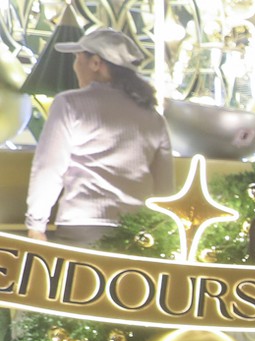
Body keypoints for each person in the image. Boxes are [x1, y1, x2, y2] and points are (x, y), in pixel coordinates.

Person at [25, 26, 172, 247]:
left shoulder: (70, 104)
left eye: (77, 58)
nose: (75, 67)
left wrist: (36, 224)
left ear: (95, 63)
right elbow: (165, 186)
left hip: (82, 226)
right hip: (138, 233)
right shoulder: (153, 117)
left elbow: (48, 167)